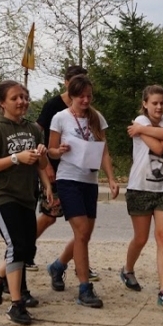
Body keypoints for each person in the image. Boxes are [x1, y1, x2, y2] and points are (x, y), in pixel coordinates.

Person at [0, 80, 52, 325]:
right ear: (2, 103)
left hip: (26, 195)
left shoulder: (33, 129)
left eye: (24, 97)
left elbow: (41, 164)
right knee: (15, 246)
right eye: (15, 98)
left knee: (26, 248)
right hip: (2, 194)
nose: (22, 102)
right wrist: (16, 157)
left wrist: (47, 183)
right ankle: (16, 304)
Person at [45, 74, 120, 308]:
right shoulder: (60, 118)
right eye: (81, 97)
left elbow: (104, 150)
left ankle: (58, 266)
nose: (86, 101)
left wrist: (111, 178)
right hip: (68, 179)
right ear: (72, 96)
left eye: (89, 96)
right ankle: (84, 289)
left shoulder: (96, 117)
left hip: (90, 180)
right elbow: (50, 149)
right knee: (81, 230)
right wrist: (59, 150)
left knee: (84, 235)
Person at [31, 65, 100, 281]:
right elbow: (37, 132)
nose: (82, 92)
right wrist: (46, 165)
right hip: (56, 169)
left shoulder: (89, 110)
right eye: (75, 82)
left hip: (83, 173)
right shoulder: (54, 106)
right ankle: (23, 250)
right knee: (50, 215)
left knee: (83, 230)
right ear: (67, 83)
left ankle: (70, 264)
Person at [122, 84, 163, 309]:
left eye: (162, 103)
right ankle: (127, 269)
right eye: (154, 103)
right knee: (141, 238)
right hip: (140, 187)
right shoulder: (141, 120)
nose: (158, 107)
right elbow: (159, 147)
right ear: (145, 104)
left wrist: (145, 131)